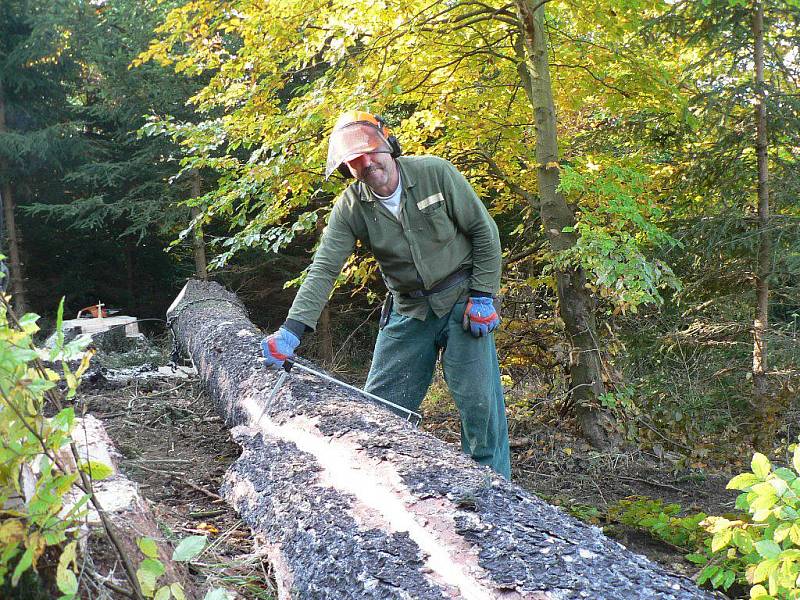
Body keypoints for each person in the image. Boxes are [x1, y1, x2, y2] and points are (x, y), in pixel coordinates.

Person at [262, 110, 511, 479]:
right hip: (409, 309)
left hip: (463, 301)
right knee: (378, 410)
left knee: (480, 407)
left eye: (370, 153)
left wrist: (483, 294)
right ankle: (389, 487)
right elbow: (325, 268)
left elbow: (484, 231)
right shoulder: (351, 207)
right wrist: (292, 330)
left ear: (388, 146)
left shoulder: (434, 173)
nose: (367, 164)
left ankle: (494, 492)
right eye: (355, 162)